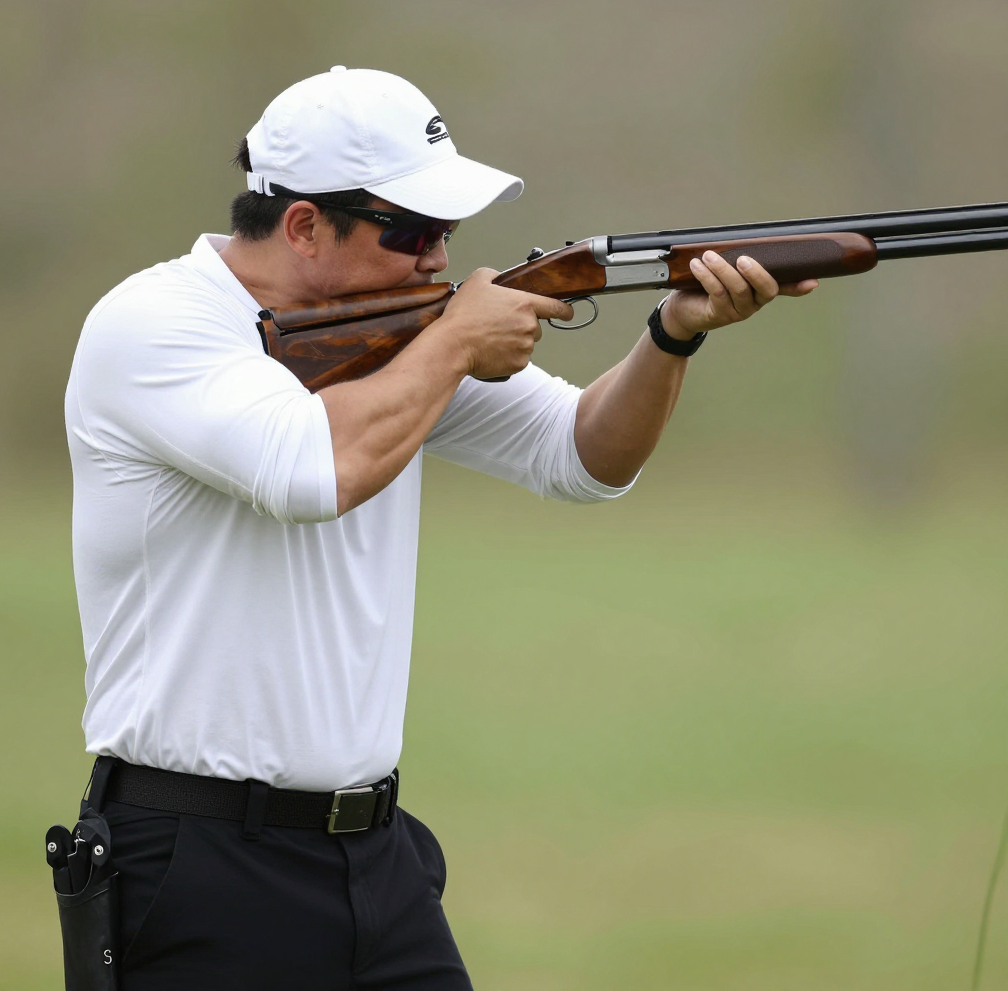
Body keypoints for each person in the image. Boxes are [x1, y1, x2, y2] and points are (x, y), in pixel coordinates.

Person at [64, 66, 818, 990]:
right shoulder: (153, 325)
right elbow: (316, 469)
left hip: (376, 859)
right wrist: (458, 340)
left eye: (447, 233)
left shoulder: (397, 339)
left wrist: (670, 335)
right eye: (413, 233)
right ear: (304, 225)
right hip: (200, 856)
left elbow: (584, 456)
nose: (437, 260)